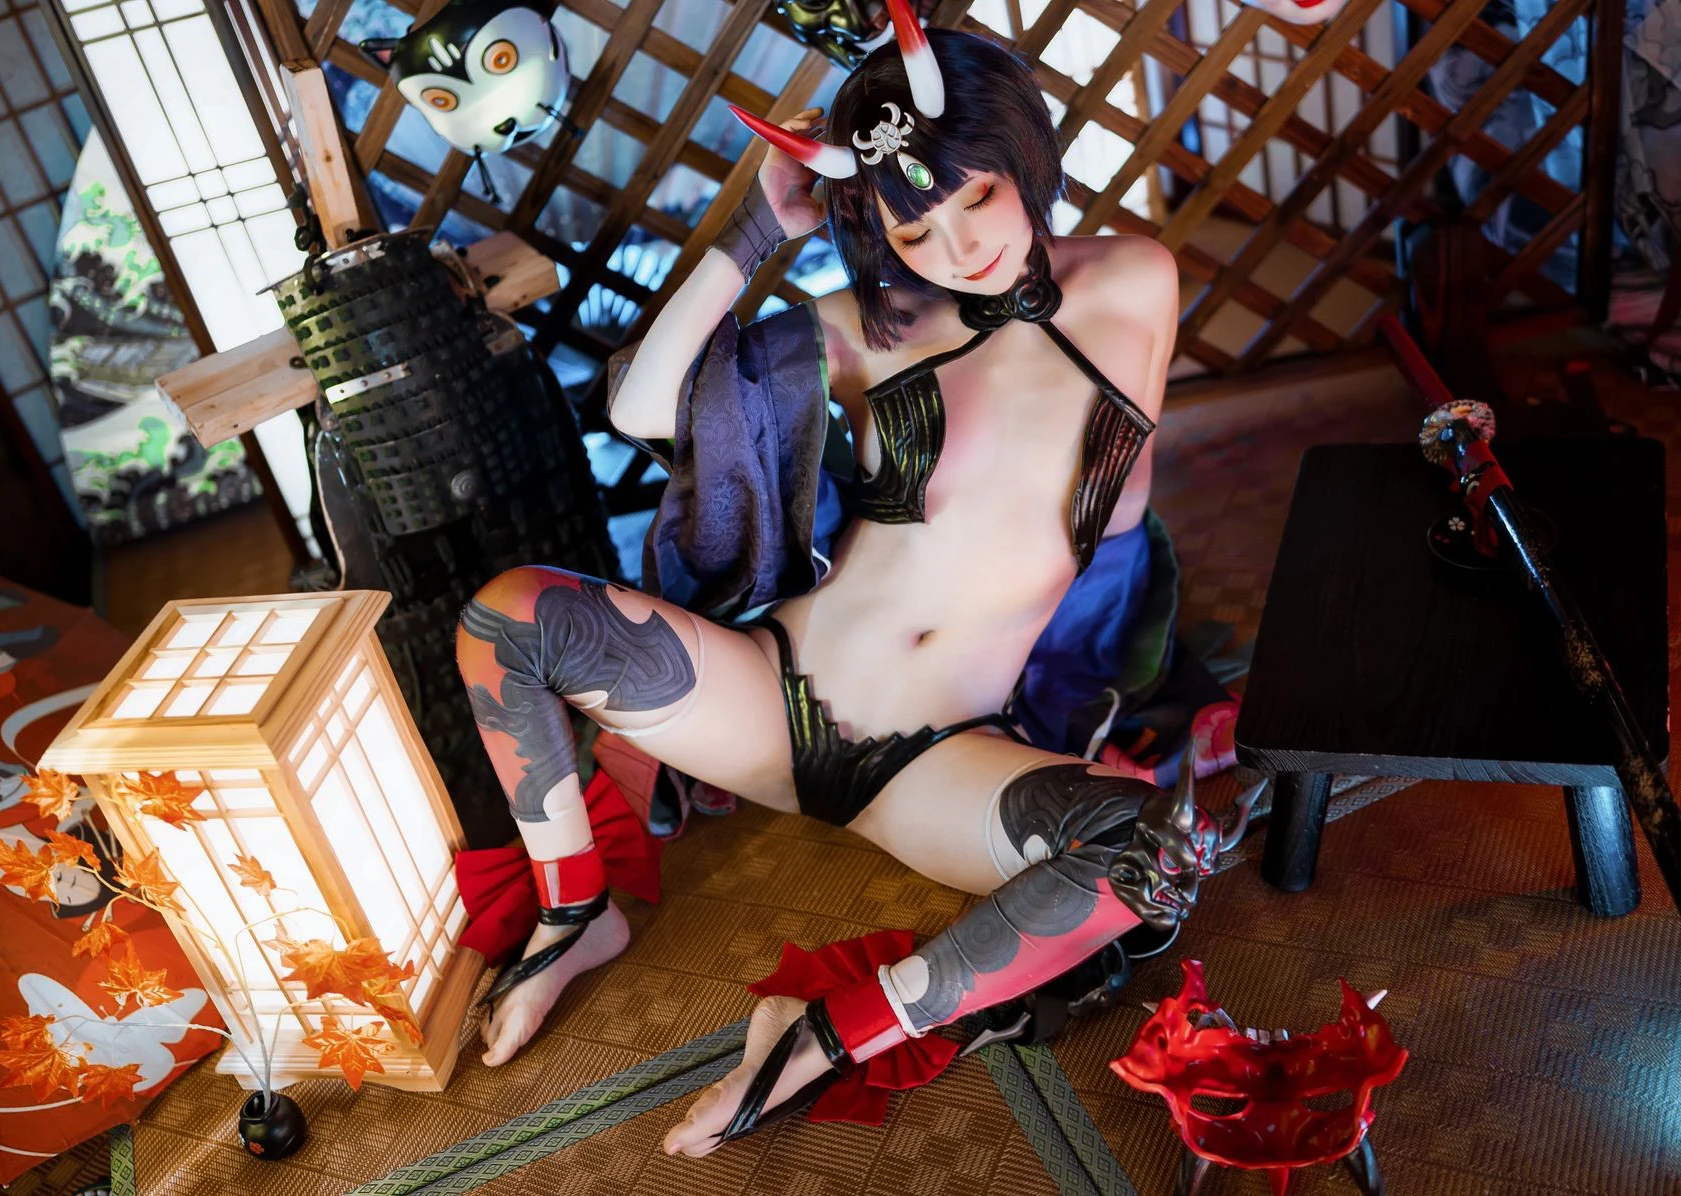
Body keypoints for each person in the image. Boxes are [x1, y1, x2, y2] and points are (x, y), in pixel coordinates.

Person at [454, 3, 1240, 1156]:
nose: (958, 248)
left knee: (1155, 854)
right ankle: (578, 909)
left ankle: (824, 1036)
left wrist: (1112, 678)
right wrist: (751, 235)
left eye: (977, 196)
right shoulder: (875, 327)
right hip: (771, 699)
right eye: (915, 227)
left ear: (1024, 157)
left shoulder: (1137, 281)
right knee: (506, 614)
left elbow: (1117, 514)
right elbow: (639, 409)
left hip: (940, 760)